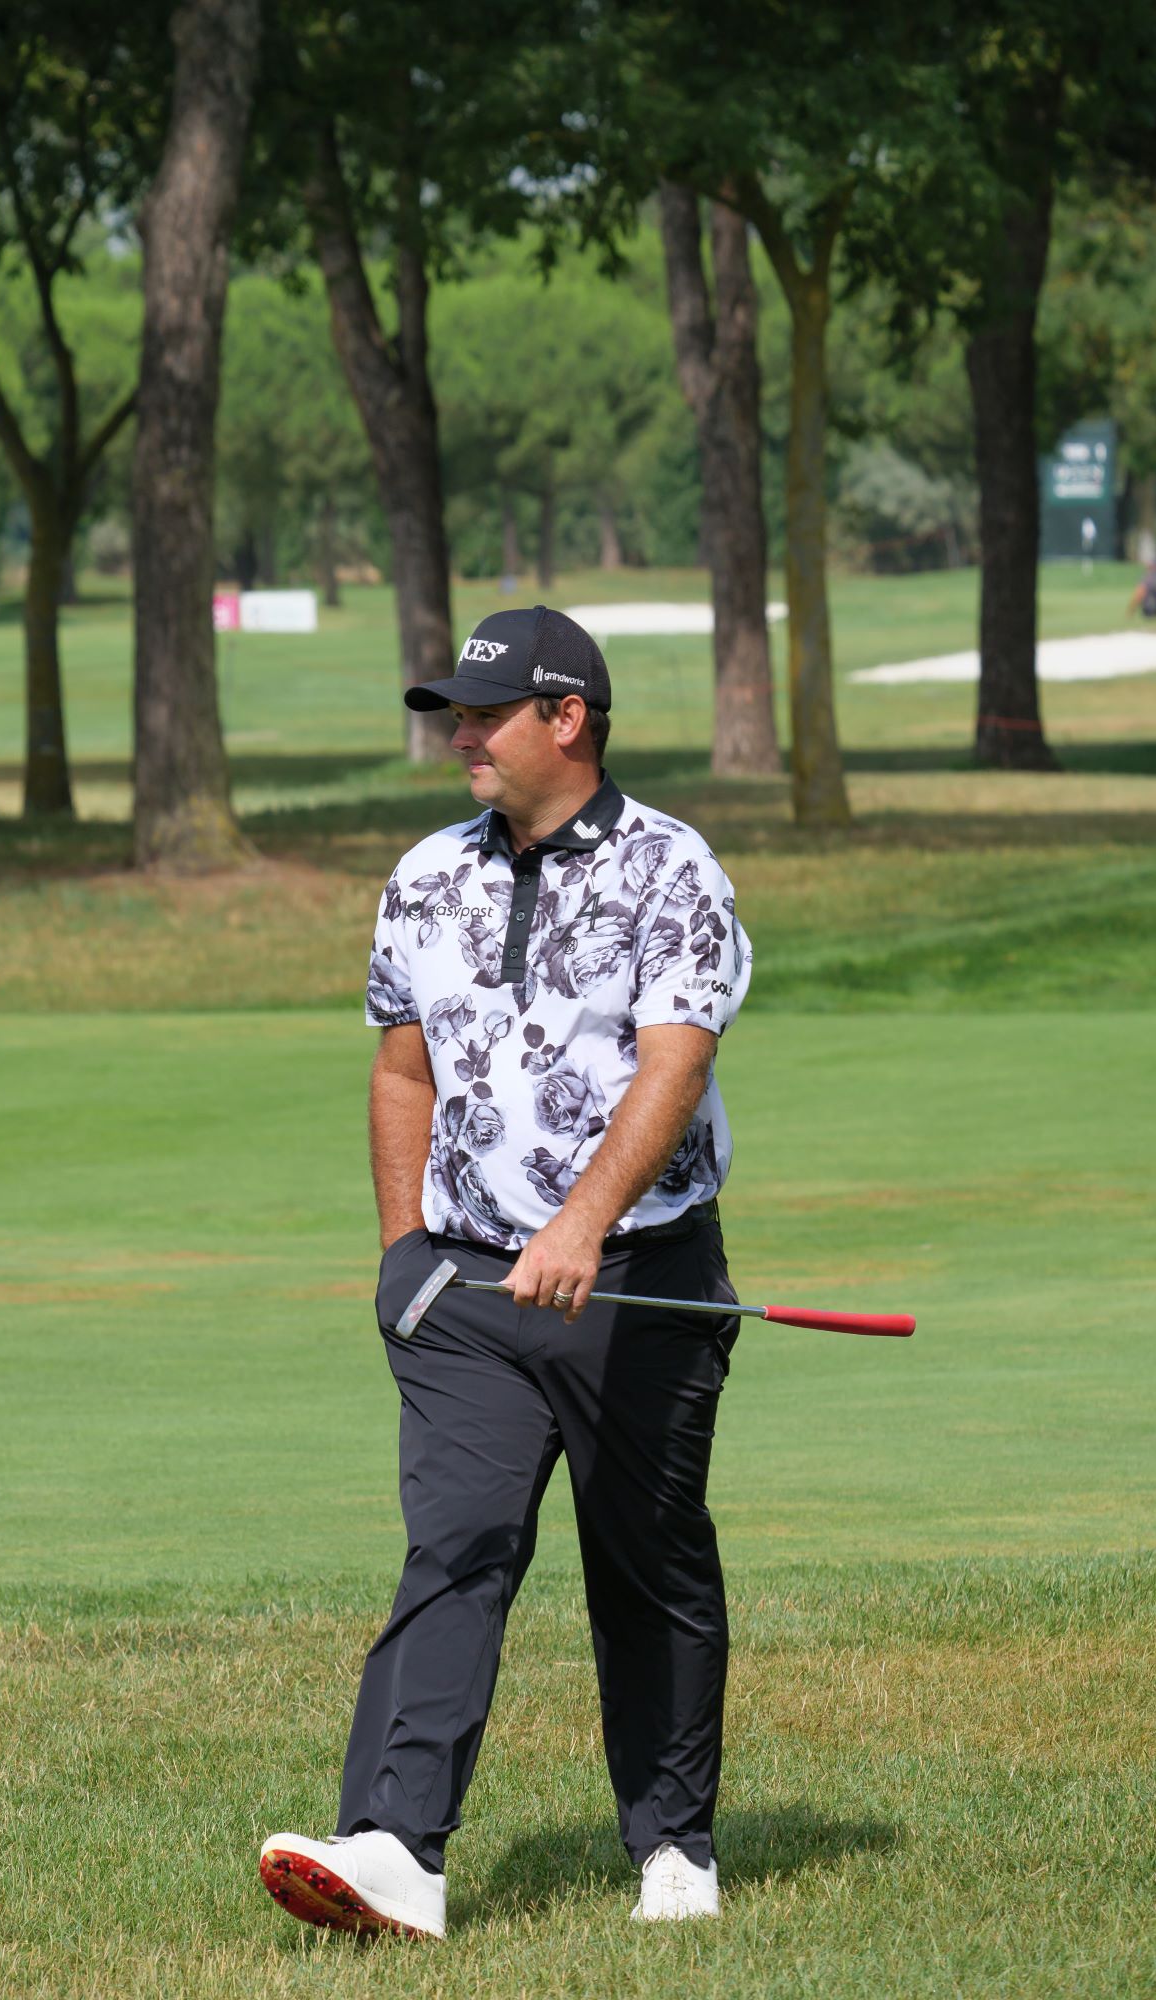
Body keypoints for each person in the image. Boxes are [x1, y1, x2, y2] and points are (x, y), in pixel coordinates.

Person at [258, 604, 752, 1938]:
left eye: (484, 714)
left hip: (639, 1283)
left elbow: (676, 1062)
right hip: (468, 1295)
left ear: (568, 719)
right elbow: (401, 1067)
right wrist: (399, 1254)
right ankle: (394, 1852)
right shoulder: (425, 875)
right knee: (457, 1548)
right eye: (454, 714)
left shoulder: (673, 871)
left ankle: (671, 1845)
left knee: (644, 1556)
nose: (461, 735)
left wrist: (584, 1223)